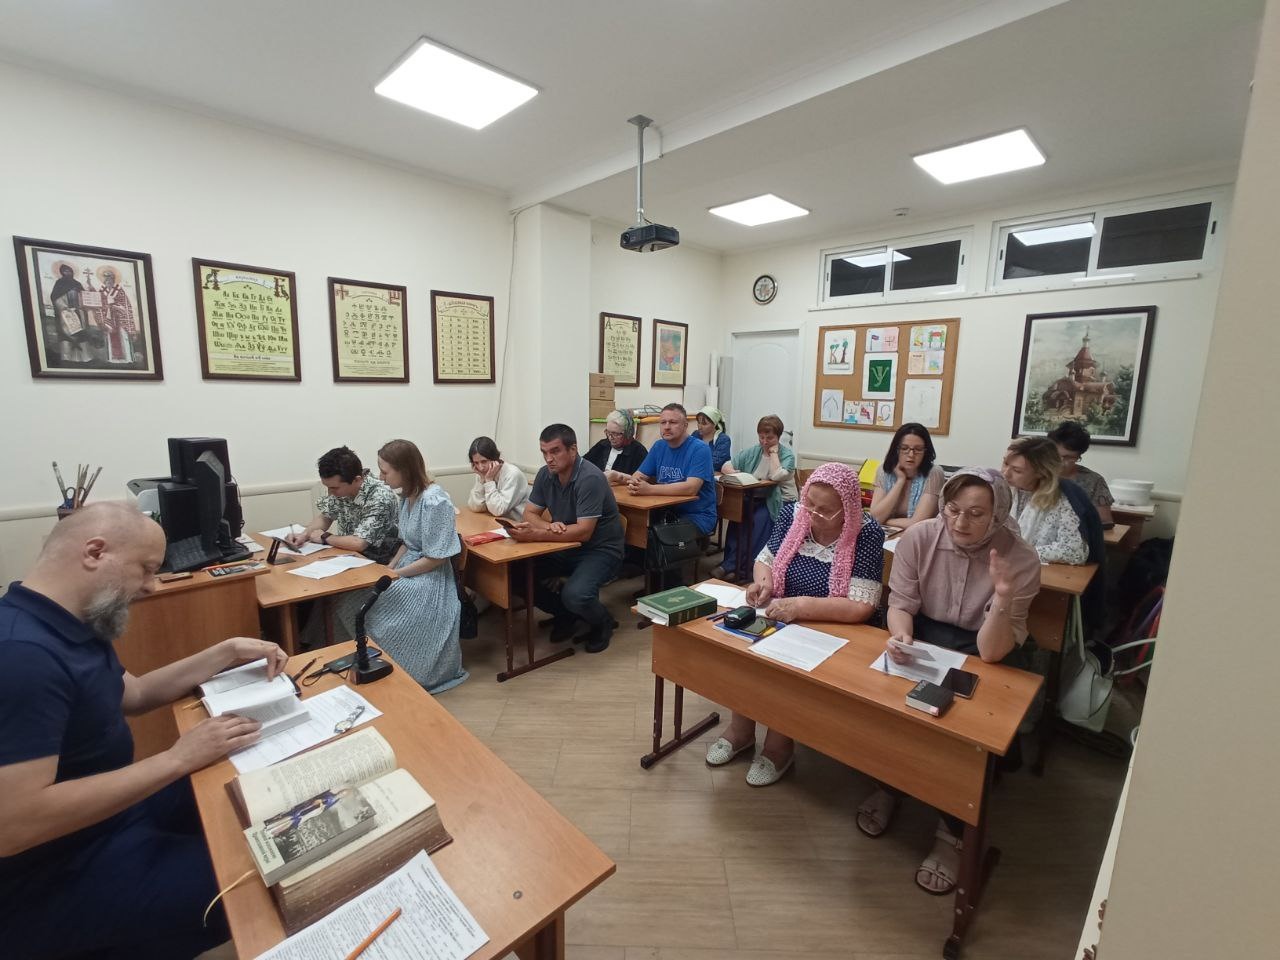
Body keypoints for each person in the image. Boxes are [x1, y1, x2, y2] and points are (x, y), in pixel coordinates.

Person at [0, 501, 286, 959]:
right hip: (58, 870)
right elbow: (13, 824)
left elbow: (133, 694)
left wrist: (227, 651)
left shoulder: (67, 620)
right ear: (95, 552)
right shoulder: (21, 654)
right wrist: (177, 758)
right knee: (261, 874)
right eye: (147, 569)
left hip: (112, 816)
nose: (152, 585)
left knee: (244, 793)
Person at [856, 468, 1041, 895]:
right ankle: (889, 786)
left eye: (976, 514)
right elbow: (900, 604)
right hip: (922, 636)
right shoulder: (919, 537)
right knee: (889, 707)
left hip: (985, 648)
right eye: (953, 510)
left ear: (998, 514)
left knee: (962, 735)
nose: (960, 522)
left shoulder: (1020, 557)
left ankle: (951, 829)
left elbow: (993, 652)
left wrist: (1003, 596)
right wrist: (900, 635)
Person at [705, 463, 884, 786]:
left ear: (848, 509)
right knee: (744, 655)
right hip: (781, 611)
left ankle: (779, 746)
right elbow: (765, 560)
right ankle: (741, 731)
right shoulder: (793, 514)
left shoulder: (866, 532)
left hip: (834, 624)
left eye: (824, 510)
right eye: (809, 503)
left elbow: (862, 605)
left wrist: (801, 606)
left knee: (786, 671)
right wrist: (764, 584)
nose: (812, 514)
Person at [342, 440, 467, 693]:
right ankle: (367, 661)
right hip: (411, 570)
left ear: (405, 470)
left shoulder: (435, 501)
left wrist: (395, 575)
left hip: (431, 582)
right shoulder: (408, 497)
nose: (381, 477)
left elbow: (436, 559)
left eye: (385, 471)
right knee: (351, 598)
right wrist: (388, 569)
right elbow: (407, 543)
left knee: (365, 602)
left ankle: (400, 668)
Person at [511, 424, 625, 653]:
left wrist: (537, 534)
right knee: (517, 575)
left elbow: (584, 532)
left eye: (555, 451)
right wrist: (549, 526)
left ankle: (603, 621)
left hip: (600, 549)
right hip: (566, 544)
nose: (548, 458)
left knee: (576, 594)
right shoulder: (545, 474)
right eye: (544, 452)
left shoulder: (590, 478)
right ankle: (566, 614)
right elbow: (529, 514)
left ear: (573, 450)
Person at [715, 414, 798, 580]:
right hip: (755, 497)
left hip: (780, 501)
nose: (765, 442)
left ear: (778, 437)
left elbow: (776, 475)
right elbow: (726, 465)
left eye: (770, 438)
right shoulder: (754, 451)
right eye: (761, 437)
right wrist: (734, 472)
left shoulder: (787, 455)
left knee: (759, 521)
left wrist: (774, 453)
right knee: (737, 519)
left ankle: (744, 569)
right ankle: (730, 564)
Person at [286, 446, 399, 564]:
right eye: (327, 487)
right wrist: (304, 535)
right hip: (348, 555)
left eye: (334, 488)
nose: (330, 492)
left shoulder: (380, 497)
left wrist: (325, 537)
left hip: (377, 561)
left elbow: (359, 543)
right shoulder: (340, 489)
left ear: (357, 480)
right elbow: (326, 517)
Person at [628, 403, 718, 536]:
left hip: (696, 516)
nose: (667, 427)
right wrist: (634, 483)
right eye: (663, 422)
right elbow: (638, 475)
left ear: (685, 425)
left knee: (652, 537)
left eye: (673, 422)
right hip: (663, 511)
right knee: (630, 527)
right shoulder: (659, 446)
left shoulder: (700, 449)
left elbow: (691, 488)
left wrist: (649, 489)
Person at [1002, 436, 1088, 564]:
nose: (1005, 473)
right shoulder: (1000, 490)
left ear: (1041, 472)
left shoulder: (1063, 500)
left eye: (1017, 470)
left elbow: (1074, 551)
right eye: (1005, 463)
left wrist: (1022, 553)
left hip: (1038, 570)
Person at [869, 422, 943, 530]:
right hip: (889, 535)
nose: (911, 455)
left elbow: (918, 523)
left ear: (925, 452)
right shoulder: (884, 471)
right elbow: (875, 517)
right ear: (896, 450)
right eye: (904, 448)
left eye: (918, 449)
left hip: (921, 535)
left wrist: (885, 520)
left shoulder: (934, 473)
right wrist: (900, 480)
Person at [1047, 420, 1115, 524]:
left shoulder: (1094, 481)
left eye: (1069, 457)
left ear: (1079, 456)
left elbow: (1104, 520)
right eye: (1055, 455)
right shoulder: (1037, 474)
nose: (1060, 461)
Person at [465, 436, 530, 522]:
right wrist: (482, 480)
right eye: (476, 463)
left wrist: (488, 481)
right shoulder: (483, 473)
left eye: (484, 461)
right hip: (495, 520)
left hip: (517, 524)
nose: (480, 467)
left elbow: (498, 510)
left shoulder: (512, 474)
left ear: (494, 458)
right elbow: (475, 506)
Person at [583, 409, 648, 483]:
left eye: (615, 434)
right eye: (608, 432)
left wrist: (618, 477)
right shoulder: (602, 445)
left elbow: (642, 480)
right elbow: (584, 464)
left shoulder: (638, 452)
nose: (610, 437)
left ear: (628, 433)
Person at [98, 266, 137, 365]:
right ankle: (112, 359)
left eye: (110, 278)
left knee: (123, 336)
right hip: (109, 319)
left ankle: (127, 358)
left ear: (113, 279)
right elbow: (100, 304)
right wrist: (107, 307)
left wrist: (115, 306)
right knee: (110, 337)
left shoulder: (119, 290)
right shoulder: (102, 291)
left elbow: (125, 304)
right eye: (106, 278)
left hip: (119, 318)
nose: (108, 280)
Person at [694, 406, 732, 471]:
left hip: (716, 474)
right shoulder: (696, 435)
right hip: (695, 471)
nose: (699, 427)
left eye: (704, 424)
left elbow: (715, 463)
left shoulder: (723, 440)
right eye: (698, 422)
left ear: (714, 424)